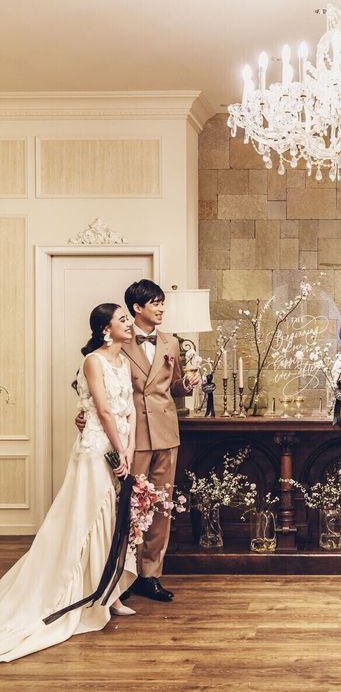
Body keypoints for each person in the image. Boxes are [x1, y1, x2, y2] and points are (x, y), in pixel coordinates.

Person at [0, 304, 137, 663]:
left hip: (120, 447)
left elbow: (131, 409)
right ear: (106, 329)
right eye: (123, 319)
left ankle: (110, 592)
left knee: (115, 520)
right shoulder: (93, 361)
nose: (129, 323)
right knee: (90, 519)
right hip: (97, 449)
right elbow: (103, 411)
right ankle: (85, 595)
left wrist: (130, 449)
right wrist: (118, 449)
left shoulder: (124, 361)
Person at [76, 280, 198, 603]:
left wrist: (188, 384)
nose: (161, 308)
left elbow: (175, 386)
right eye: (155, 303)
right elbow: (93, 384)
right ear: (137, 308)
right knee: (129, 506)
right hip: (132, 437)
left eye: (162, 302)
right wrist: (84, 415)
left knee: (161, 506)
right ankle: (125, 573)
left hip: (166, 433)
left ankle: (150, 575)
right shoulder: (120, 341)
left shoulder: (171, 343)